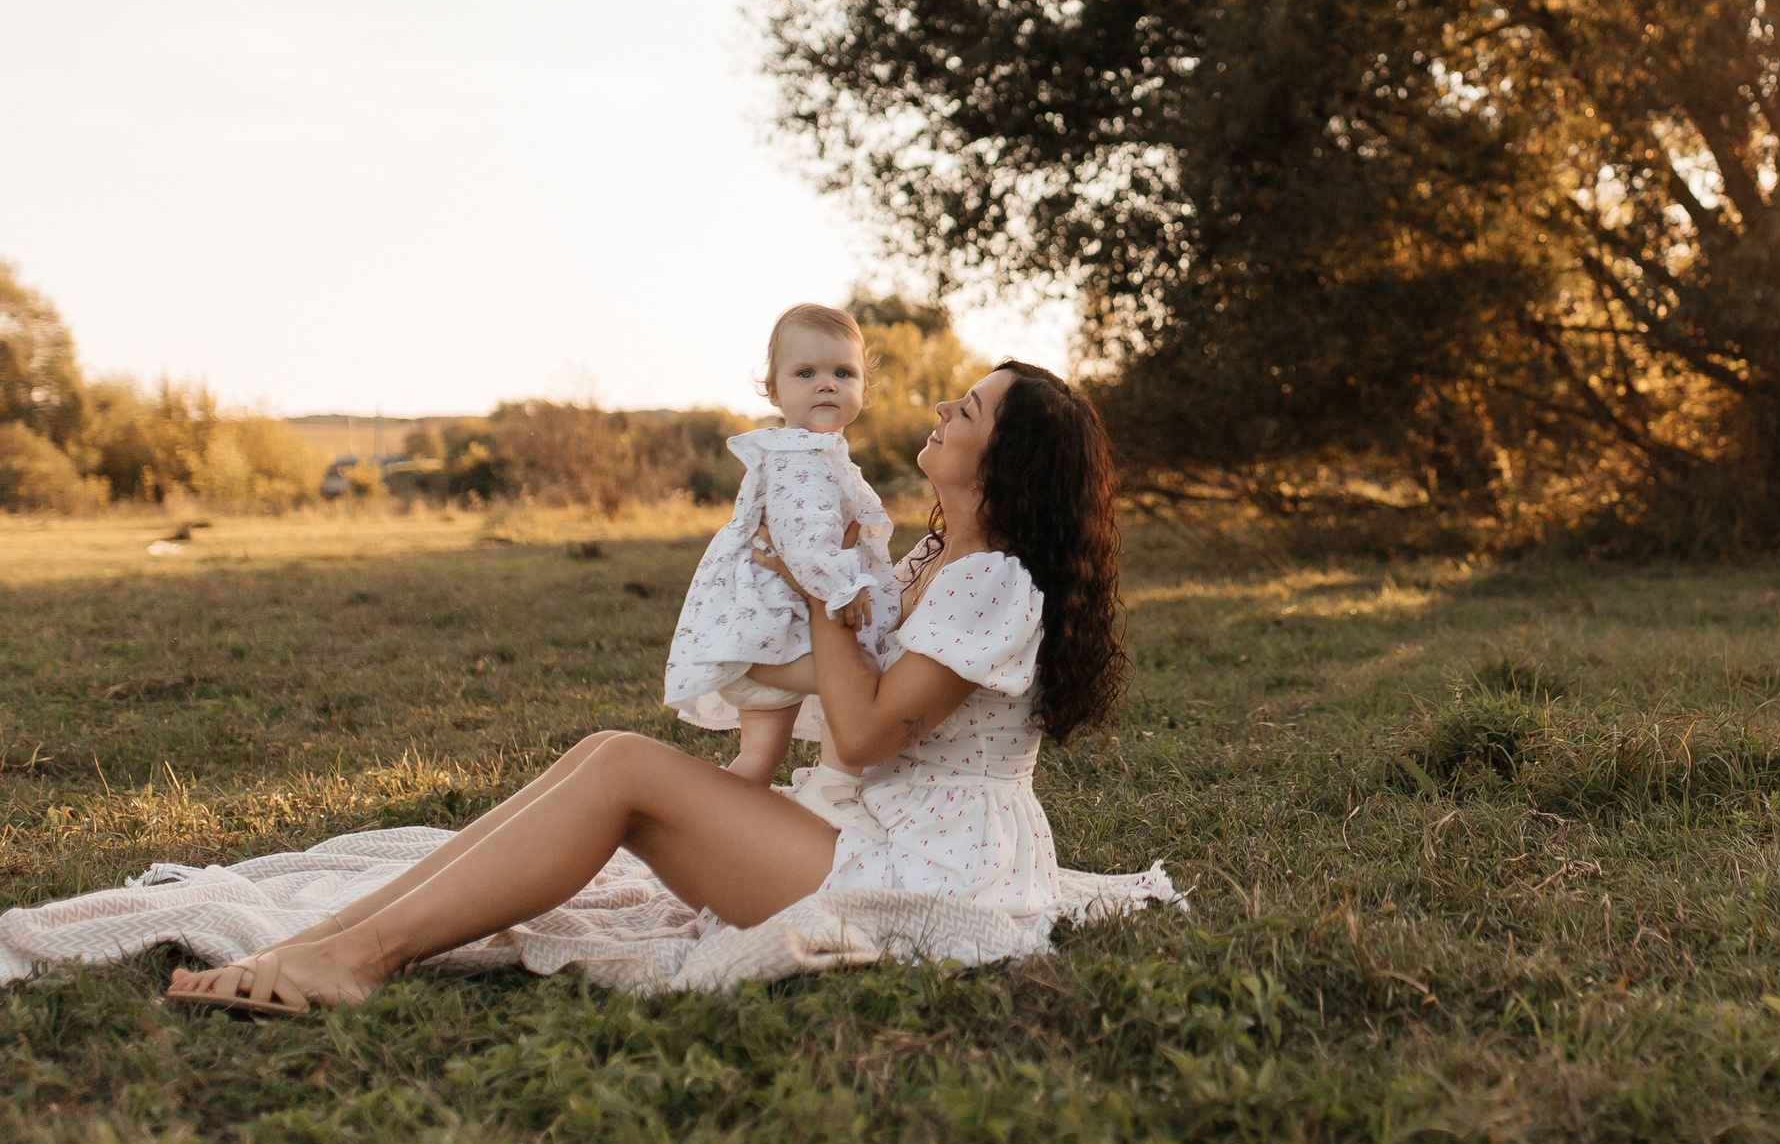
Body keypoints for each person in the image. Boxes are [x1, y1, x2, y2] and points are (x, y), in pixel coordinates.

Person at [165, 360, 1133, 1015]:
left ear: (1007, 459)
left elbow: (869, 731)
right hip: (861, 828)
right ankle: (332, 934)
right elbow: (837, 683)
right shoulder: (933, 554)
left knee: (622, 767)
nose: (939, 412)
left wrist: (812, 589)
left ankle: (353, 963)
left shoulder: (994, 581)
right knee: (604, 755)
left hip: (928, 867)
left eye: (965, 411)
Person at [662, 302, 897, 790]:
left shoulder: (817, 454)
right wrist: (842, 587)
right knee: (858, 676)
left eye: (843, 372)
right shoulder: (800, 458)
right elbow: (803, 539)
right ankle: (839, 787)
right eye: (805, 372)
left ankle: (711, 830)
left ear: (863, 390)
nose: (826, 383)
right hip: (770, 637)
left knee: (756, 764)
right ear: (774, 390)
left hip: (766, 630)